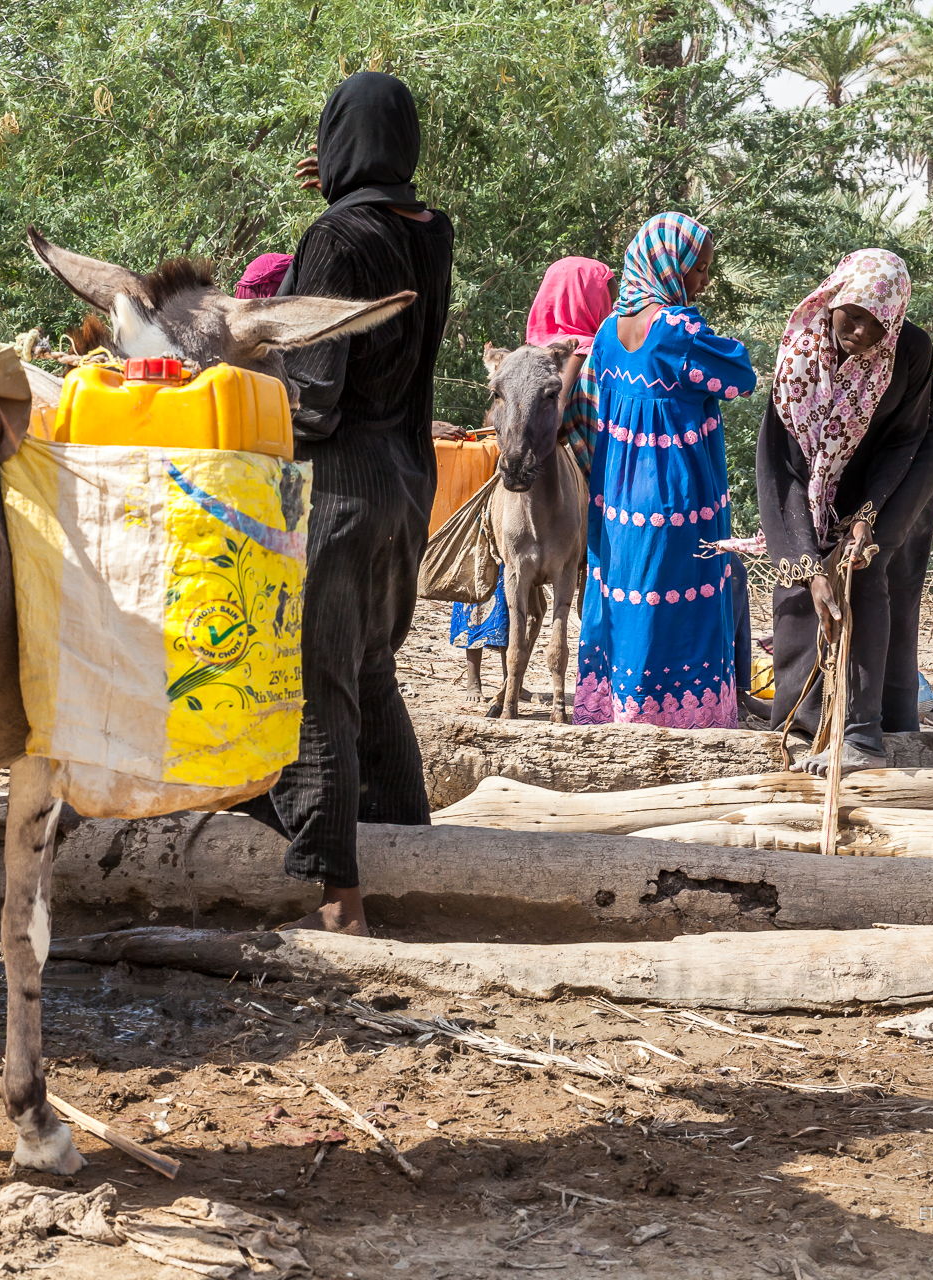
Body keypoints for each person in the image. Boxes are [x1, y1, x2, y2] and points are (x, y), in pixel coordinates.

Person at [241, 71, 453, 936]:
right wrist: (338, 190)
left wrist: (234, 376)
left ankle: (341, 900)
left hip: (340, 485)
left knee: (314, 679)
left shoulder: (335, 234)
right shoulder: (433, 229)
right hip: (409, 479)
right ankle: (412, 846)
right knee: (371, 669)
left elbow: (318, 394)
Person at [758, 249, 933, 775]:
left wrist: (866, 517)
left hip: (907, 458)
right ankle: (802, 724)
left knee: (869, 570)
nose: (865, 332)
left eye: (879, 322)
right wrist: (806, 561)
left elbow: (906, 439)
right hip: (818, 469)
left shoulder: (910, 349)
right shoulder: (798, 359)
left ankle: (868, 734)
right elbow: (784, 470)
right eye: (855, 316)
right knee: (803, 580)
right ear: (833, 302)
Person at [574, 212, 756, 728]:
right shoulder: (678, 330)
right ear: (668, 265)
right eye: (698, 268)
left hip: (616, 496)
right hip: (677, 493)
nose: (702, 281)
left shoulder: (607, 333)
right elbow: (740, 375)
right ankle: (682, 717)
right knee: (684, 596)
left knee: (625, 592)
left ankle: (620, 708)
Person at [449, 257, 613, 698]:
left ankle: (497, 676)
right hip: (586, 480)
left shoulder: (522, 358)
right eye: (607, 293)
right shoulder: (591, 354)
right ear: (590, 297)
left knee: (497, 549)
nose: (612, 302)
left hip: (515, 471)